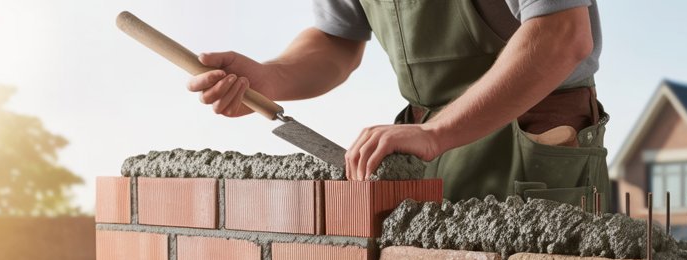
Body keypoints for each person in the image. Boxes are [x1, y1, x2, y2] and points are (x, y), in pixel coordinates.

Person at [187, 0, 609, 205]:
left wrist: (438, 132)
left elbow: (562, 35)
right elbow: (338, 37)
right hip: (429, 148)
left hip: (534, 145)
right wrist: (270, 78)